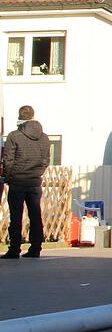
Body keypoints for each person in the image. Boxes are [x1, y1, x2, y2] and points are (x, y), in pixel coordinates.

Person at [2, 105, 51, 259]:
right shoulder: (44, 138)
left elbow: (8, 160)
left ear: (20, 117)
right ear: (32, 116)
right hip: (35, 182)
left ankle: (14, 249)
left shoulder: (14, 136)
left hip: (17, 181)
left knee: (16, 216)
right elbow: (46, 160)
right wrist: (38, 173)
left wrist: (9, 177)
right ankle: (36, 248)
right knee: (36, 215)